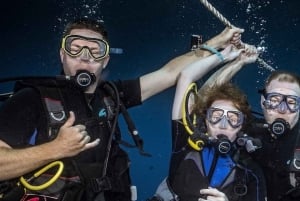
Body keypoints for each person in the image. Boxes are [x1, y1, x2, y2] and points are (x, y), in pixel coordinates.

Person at [0, 18, 244, 201]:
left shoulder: (111, 95)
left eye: (96, 51)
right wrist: (56, 149)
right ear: (62, 55)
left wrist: (216, 44)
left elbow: (169, 73)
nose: (85, 57)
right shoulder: (30, 98)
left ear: (105, 60)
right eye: (75, 48)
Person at [148, 45, 266, 201]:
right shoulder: (185, 143)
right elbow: (186, 76)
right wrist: (228, 58)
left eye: (233, 119)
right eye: (216, 116)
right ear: (205, 118)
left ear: (241, 126)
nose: (223, 124)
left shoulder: (251, 172)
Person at [199, 45, 300, 200]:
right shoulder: (245, 128)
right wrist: (238, 62)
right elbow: (203, 101)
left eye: (292, 102)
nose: (282, 109)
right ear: (263, 101)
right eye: (274, 99)